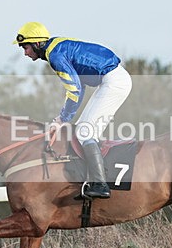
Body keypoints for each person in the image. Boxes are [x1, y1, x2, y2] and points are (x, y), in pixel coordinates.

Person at [14, 21, 132, 198]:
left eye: (26, 47)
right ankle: (91, 177)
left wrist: (62, 119)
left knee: (85, 132)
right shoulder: (55, 47)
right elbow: (80, 85)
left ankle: (100, 185)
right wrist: (65, 118)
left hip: (114, 82)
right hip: (112, 79)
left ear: (37, 43)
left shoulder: (55, 56)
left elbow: (74, 89)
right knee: (82, 129)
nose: (25, 53)